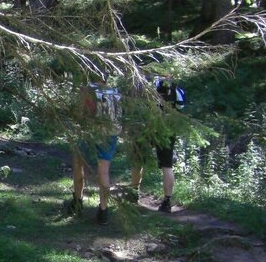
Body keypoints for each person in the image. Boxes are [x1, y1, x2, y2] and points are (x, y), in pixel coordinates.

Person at [65, 83, 121, 225]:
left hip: (88, 132)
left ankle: (77, 201)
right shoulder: (114, 91)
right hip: (110, 133)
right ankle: (103, 210)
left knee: (78, 164)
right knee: (104, 171)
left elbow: (80, 113)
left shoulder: (86, 89)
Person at [130, 76, 185, 213]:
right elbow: (181, 107)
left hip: (146, 128)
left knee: (138, 161)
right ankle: (167, 201)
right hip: (167, 129)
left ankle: (134, 193)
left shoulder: (147, 86)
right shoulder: (177, 90)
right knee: (167, 166)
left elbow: (139, 106)